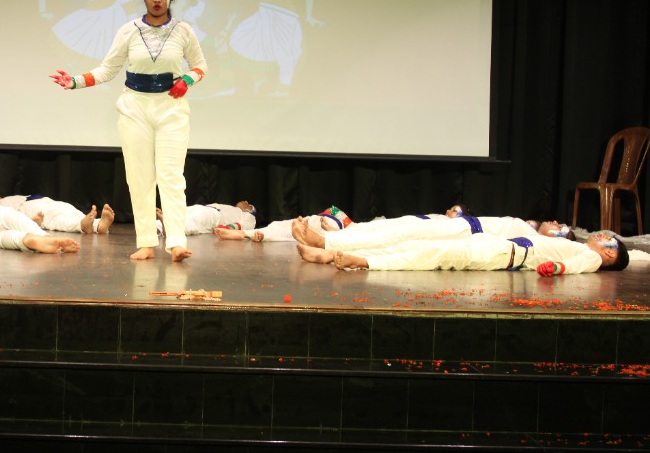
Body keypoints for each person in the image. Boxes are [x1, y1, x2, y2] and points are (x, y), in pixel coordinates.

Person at [51, 0, 208, 262]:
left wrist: (187, 79)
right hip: (135, 107)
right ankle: (146, 243)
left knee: (171, 176)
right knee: (139, 177)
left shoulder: (183, 31)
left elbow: (200, 66)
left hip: (171, 108)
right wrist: (74, 81)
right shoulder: (129, 31)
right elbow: (107, 69)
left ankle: (176, 242)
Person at [297, 230, 629, 275]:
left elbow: (581, 263)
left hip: (504, 255)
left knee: (430, 255)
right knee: (417, 246)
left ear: (610, 254)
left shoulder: (592, 256)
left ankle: (363, 261)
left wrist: (557, 268)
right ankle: (334, 251)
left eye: (608, 240)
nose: (602, 235)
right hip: (497, 245)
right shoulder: (579, 245)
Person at [291, 206, 574, 254]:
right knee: (397, 228)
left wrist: (566, 236)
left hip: (467, 235)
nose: (555, 222)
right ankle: (331, 239)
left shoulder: (538, 242)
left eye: (560, 227)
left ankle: (327, 242)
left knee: (399, 237)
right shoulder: (529, 228)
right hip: (461, 226)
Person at [213, 205, 352, 242]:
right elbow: (332, 209)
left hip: (329, 229)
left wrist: (330, 228)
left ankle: (247, 234)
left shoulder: (355, 228)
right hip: (317, 220)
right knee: (278, 225)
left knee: (289, 235)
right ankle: (246, 234)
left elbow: (348, 235)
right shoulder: (338, 213)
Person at [0, 195, 115, 234]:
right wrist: (30, 222)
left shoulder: (6, 198)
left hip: (45, 200)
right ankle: (81, 225)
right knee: (53, 218)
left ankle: (98, 225)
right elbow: (7, 220)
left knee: (69, 209)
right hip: (27, 208)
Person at [158, 201, 257, 236]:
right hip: (202, 208)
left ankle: (171, 230)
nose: (245, 201)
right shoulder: (232, 208)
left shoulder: (248, 215)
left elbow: (244, 225)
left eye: (248, 204)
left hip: (215, 216)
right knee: (177, 214)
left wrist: (227, 228)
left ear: (250, 209)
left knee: (194, 221)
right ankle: (157, 227)